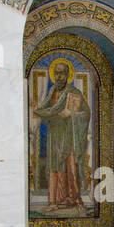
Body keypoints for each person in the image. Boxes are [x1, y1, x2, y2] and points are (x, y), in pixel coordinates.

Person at [33, 60, 91, 210]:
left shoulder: (73, 93)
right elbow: (46, 109)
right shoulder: (52, 91)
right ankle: (55, 201)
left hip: (69, 136)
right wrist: (38, 110)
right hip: (54, 136)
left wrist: (71, 113)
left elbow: (85, 113)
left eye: (62, 73)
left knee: (71, 168)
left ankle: (75, 200)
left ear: (67, 75)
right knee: (55, 168)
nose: (58, 77)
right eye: (56, 73)